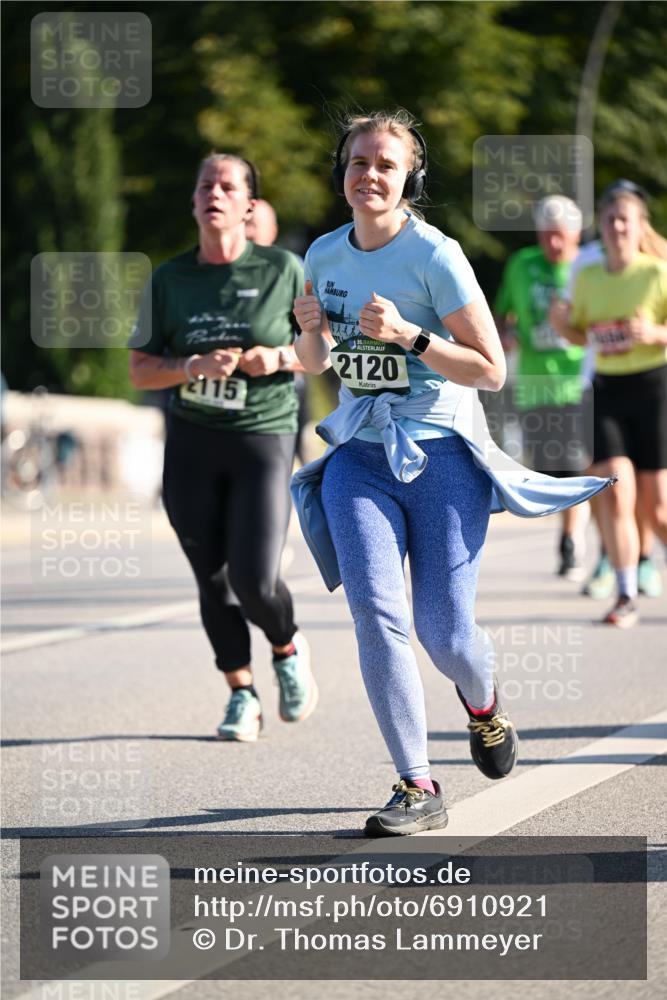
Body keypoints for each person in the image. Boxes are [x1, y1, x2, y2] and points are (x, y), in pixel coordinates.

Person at [292, 110, 612, 837]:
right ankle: (416, 783)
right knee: (377, 616)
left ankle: (483, 703)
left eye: (386, 164)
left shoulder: (435, 255)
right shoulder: (322, 253)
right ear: (342, 172)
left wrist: (411, 335)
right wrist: (310, 331)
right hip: (358, 455)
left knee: (445, 633)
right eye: (358, 161)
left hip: (441, 457)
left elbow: (490, 370)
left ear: (410, 178)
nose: (370, 175)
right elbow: (315, 364)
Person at [129, 152, 317, 740]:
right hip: (193, 441)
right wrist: (191, 366)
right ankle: (241, 693)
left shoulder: (284, 269)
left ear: (248, 205)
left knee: (254, 583)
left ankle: (286, 648)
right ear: (193, 202)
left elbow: (325, 350)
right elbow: (140, 369)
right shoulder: (169, 278)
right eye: (205, 184)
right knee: (211, 580)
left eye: (227, 186)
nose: (214, 193)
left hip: (263, 436)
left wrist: (279, 357)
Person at [551, 180, 667, 627]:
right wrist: (562, 325)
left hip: (653, 389)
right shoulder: (588, 275)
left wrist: (652, 333)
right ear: (600, 226)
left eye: (625, 220)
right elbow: (581, 335)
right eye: (610, 220)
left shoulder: (656, 273)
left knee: (657, 509)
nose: (617, 228)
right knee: (617, 494)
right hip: (606, 391)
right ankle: (625, 594)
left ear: (640, 226)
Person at [494, 195, 587, 579]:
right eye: (546, 235)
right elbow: (501, 314)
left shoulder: (587, 267)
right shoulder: (521, 264)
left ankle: (571, 541)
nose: (553, 243)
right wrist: (506, 335)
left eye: (561, 235)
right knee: (550, 470)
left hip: (580, 382)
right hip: (534, 385)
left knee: (575, 464)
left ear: (577, 234)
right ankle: (570, 532)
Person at [245, 198, 314, 465]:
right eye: (243, 223)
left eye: (254, 224)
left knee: (294, 463)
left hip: (284, 390)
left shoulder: (291, 269)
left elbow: (320, 343)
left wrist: (279, 358)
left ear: (272, 231)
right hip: (226, 397)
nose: (247, 231)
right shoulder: (216, 270)